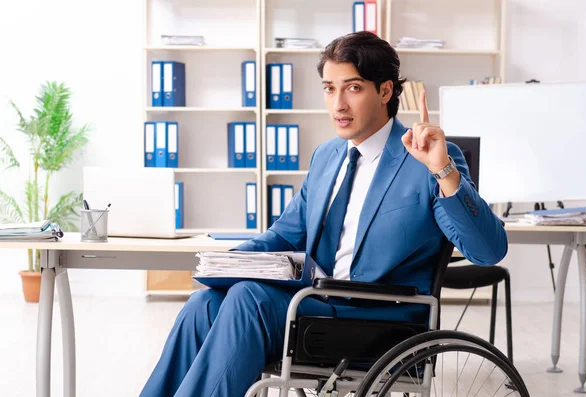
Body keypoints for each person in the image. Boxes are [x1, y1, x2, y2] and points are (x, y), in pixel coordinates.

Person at [140, 31, 508, 397]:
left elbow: (488, 250)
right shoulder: (327, 156)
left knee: (248, 299)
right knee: (204, 304)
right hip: (316, 303)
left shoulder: (428, 161)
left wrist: (442, 171)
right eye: (329, 89)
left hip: (380, 319)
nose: (338, 105)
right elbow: (285, 235)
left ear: (385, 91)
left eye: (352, 88)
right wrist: (230, 264)